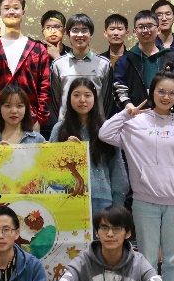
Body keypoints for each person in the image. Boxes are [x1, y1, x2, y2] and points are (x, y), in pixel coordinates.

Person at [99, 71, 174, 281]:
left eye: (172, 93)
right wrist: (126, 113)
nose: (166, 97)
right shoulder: (135, 123)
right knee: (147, 258)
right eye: (161, 91)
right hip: (145, 202)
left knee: (172, 258)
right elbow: (105, 133)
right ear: (152, 93)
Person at [0, 0, 52, 135]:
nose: (11, 11)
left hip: (30, 121)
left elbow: (44, 88)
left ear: (23, 12)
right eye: (6, 8)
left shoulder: (37, 49)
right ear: (0, 13)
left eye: (16, 8)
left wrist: (39, 118)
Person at [52, 78, 128, 215]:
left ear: (95, 98)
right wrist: (64, 152)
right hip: (68, 199)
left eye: (87, 95)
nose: (82, 100)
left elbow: (117, 171)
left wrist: (117, 206)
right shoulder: (59, 129)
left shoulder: (106, 129)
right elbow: (50, 170)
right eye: (76, 95)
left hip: (102, 201)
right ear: (68, 98)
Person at [48, 13, 113, 126]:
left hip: (96, 126)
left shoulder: (104, 64)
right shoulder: (58, 64)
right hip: (66, 126)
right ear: (68, 34)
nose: (79, 35)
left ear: (91, 34)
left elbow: (107, 101)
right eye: (75, 30)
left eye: (84, 30)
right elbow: (55, 100)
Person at [112, 9, 170, 112]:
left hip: (166, 116)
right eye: (141, 27)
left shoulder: (170, 58)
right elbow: (119, 89)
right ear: (135, 32)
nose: (146, 30)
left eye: (150, 26)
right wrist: (130, 107)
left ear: (158, 29)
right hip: (135, 117)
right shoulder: (125, 60)